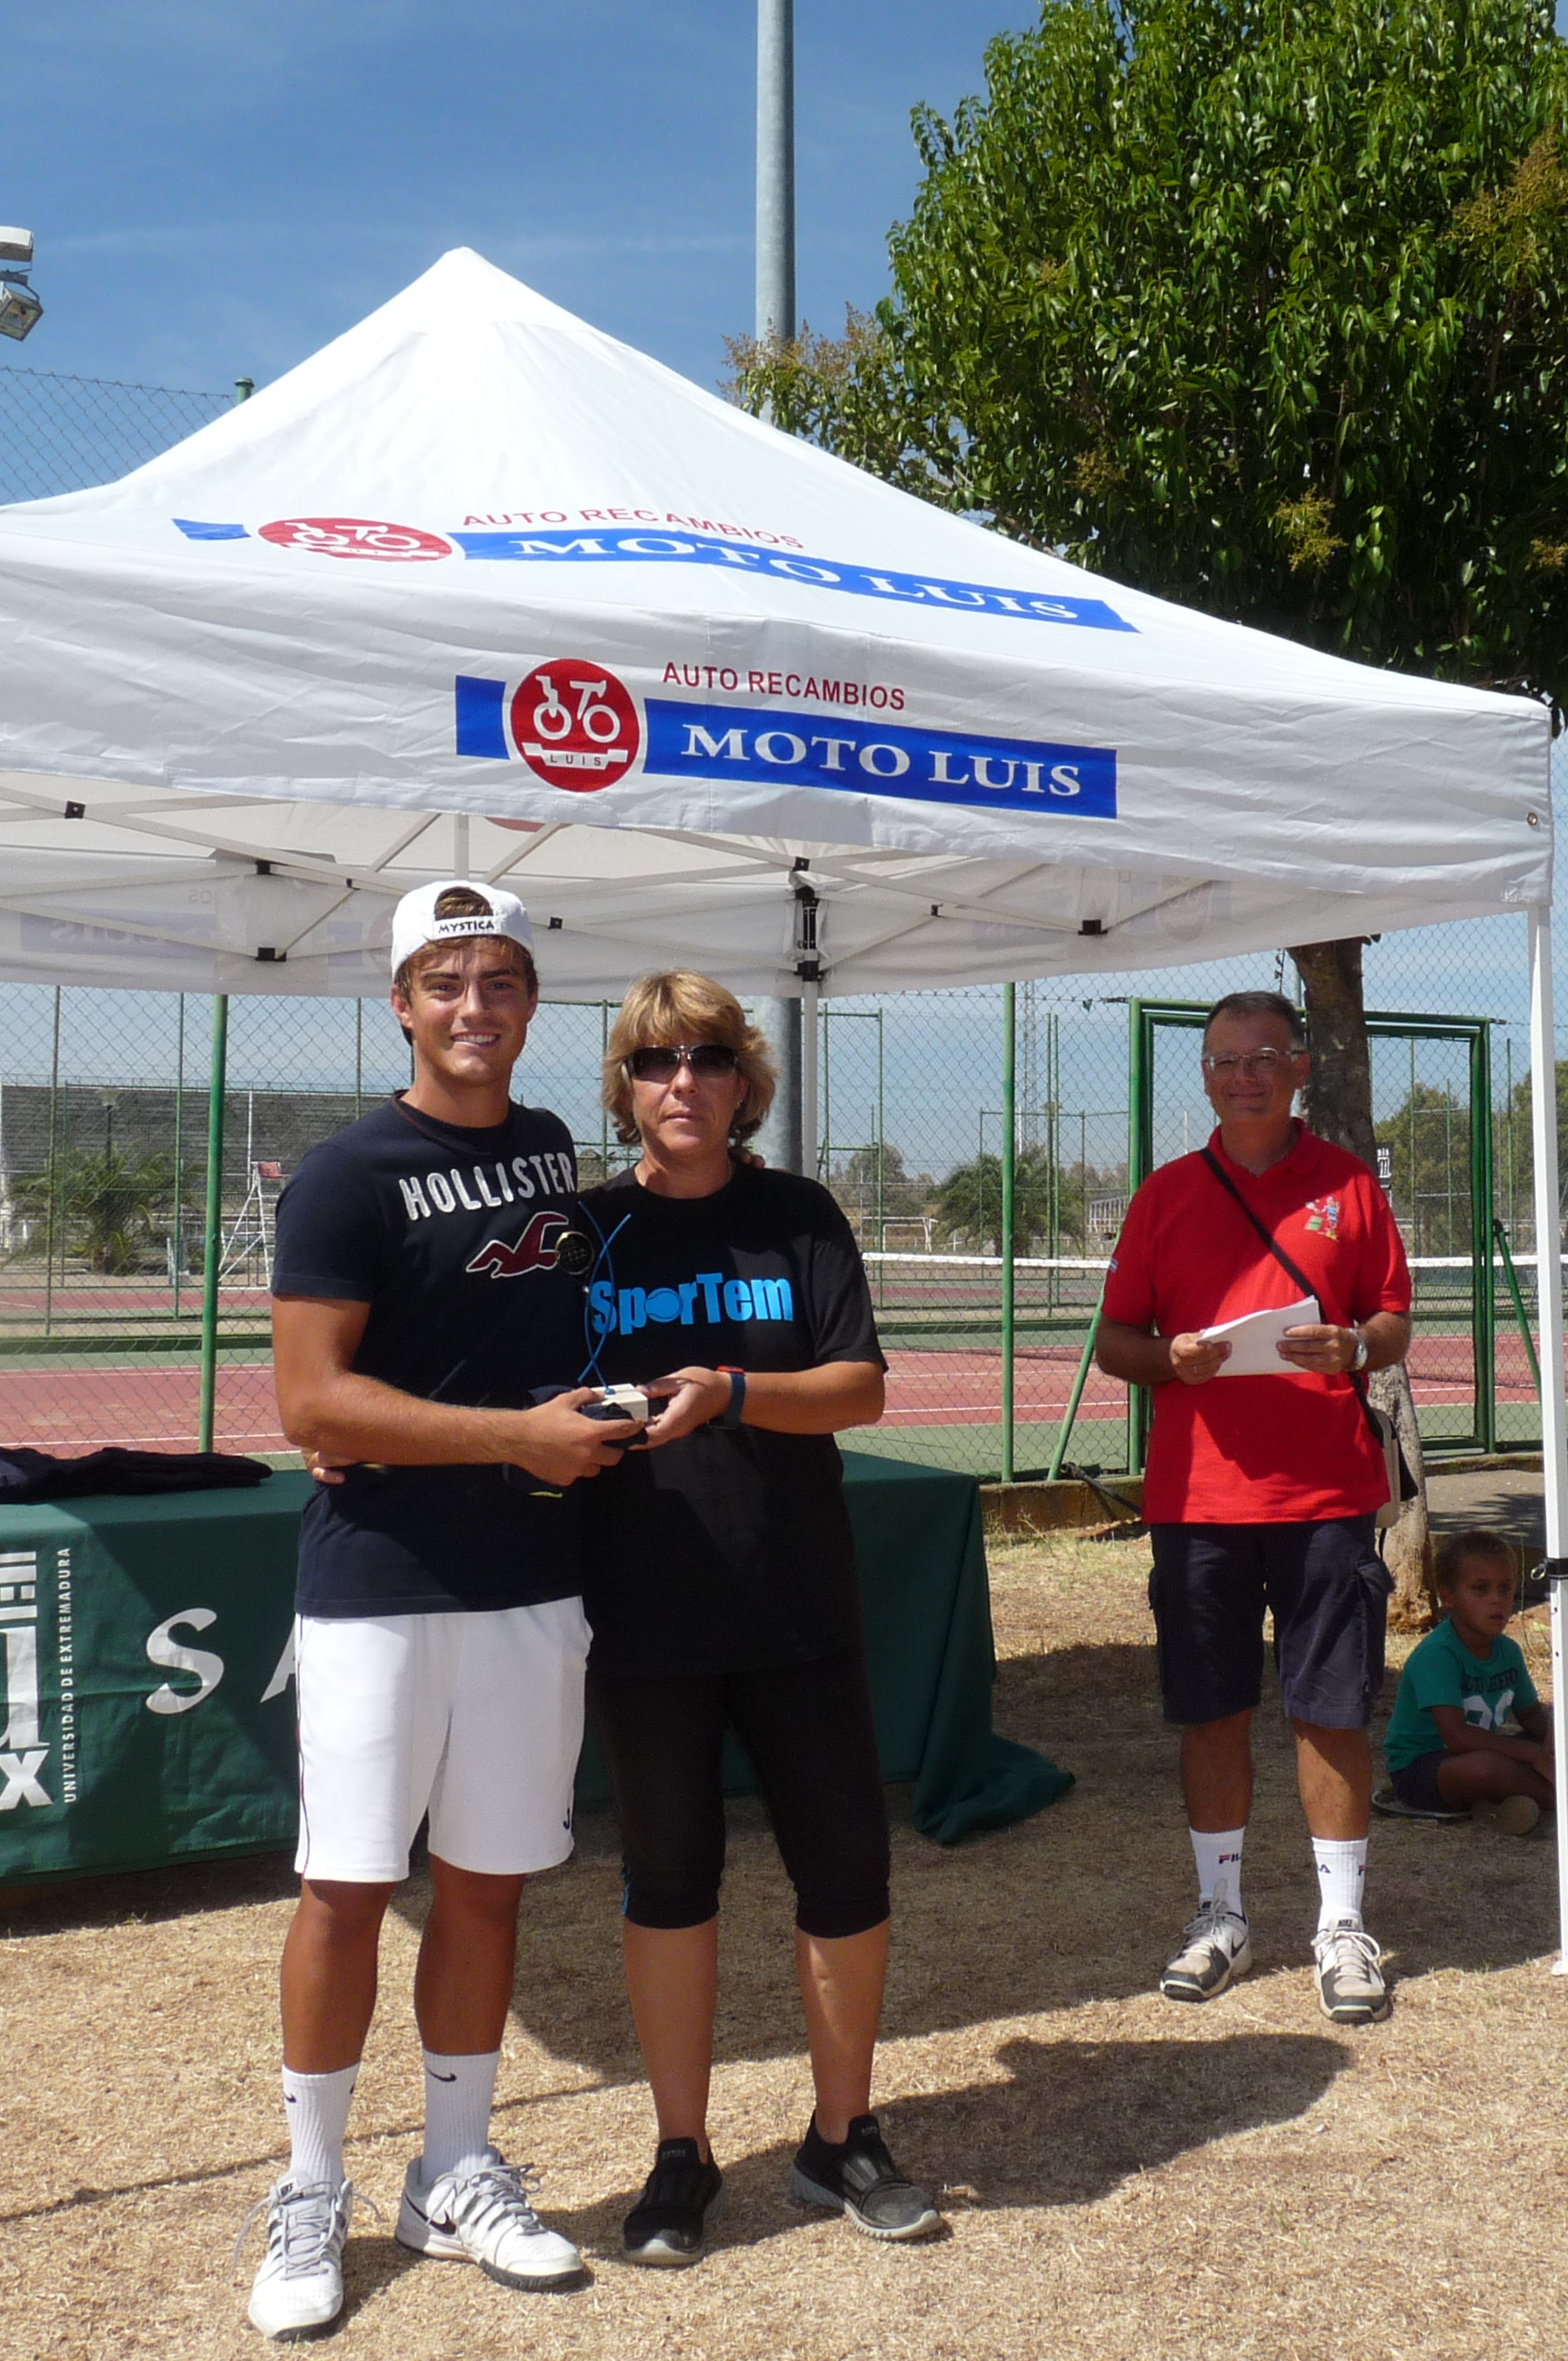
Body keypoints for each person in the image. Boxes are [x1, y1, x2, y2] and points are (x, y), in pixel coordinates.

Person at [248, 879, 644, 2341]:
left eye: (501, 980)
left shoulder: (547, 1152)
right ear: (401, 1004)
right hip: (378, 1583)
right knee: (347, 1885)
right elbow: (309, 1401)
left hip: (532, 1582)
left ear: (530, 1002)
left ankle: (454, 2168)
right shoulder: (346, 1175)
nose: (475, 1007)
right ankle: (309, 2187)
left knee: (486, 1881)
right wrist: (508, 1438)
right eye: (446, 981)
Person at [571, 970, 937, 2264]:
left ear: (745, 1082)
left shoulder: (798, 1216)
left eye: (708, 1059)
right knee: (670, 1881)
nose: (683, 1083)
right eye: (655, 1061)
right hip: (641, 1614)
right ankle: (682, 2152)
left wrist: (730, 1391)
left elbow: (858, 1388)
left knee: (844, 1870)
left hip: (795, 1603)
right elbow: (499, 1382)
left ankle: (843, 2138)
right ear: (624, 1086)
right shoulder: (584, 1232)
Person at [1093, 990, 1413, 2024]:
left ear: (1300, 1068)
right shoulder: (1165, 1196)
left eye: (1264, 1056)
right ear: (1205, 1076)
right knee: (1212, 1711)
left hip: (1325, 1499)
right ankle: (1221, 1914)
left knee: (1332, 1712)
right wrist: (1170, 1359)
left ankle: (1342, 1926)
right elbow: (1114, 1343)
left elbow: (1394, 1318)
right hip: (1199, 1502)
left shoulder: (1350, 1186)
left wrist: (1353, 1344)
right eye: (1226, 1060)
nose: (1245, 1076)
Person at [1378, 1531, 1568, 1835]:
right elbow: (1457, 1737)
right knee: (1485, 1768)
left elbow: (1531, 1715)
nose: (1496, 1600)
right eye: (1480, 1589)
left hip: (1485, 1757)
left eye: (1505, 1588)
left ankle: (1499, 1806)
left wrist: (1551, 1745)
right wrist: (1532, 1755)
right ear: (1449, 1598)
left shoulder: (1508, 1651)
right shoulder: (1437, 1654)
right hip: (1424, 1771)